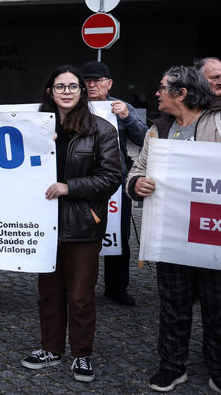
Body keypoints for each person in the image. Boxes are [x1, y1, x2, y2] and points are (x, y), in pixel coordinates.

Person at [126, 65, 221, 393]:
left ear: (181, 93)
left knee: (219, 307)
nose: (157, 93)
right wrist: (136, 183)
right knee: (173, 305)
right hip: (171, 234)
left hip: (214, 234)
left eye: (162, 88)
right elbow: (138, 168)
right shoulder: (159, 129)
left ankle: (220, 369)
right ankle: (171, 366)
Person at [21, 65, 122, 383]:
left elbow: (111, 177)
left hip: (82, 224)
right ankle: (51, 349)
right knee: (49, 293)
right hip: (44, 222)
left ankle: (82, 354)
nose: (66, 91)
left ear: (81, 91)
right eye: (60, 86)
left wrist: (70, 187)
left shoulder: (101, 129)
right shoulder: (35, 128)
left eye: (73, 86)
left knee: (80, 295)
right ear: (50, 92)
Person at [81, 60, 147, 306]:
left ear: (109, 84)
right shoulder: (72, 105)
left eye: (97, 81)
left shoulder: (122, 107)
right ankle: (79, 288)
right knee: (78, 238)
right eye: (87, 81)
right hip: (81, 182)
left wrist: (128, 117)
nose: (92, 85)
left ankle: (117, 288)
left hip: (115, 185)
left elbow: (145, 139)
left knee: (118, 236)